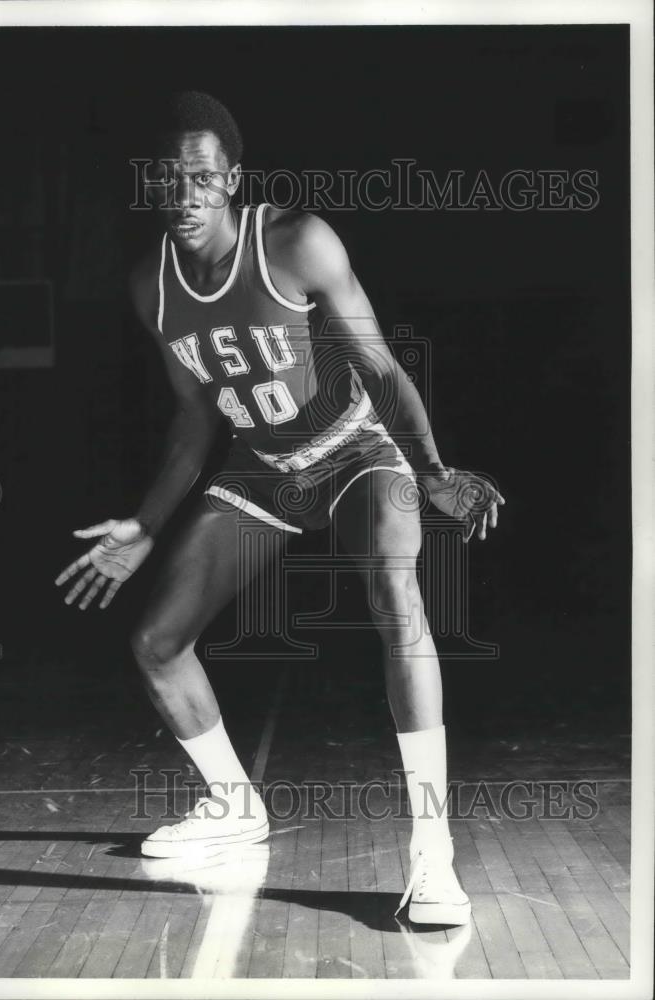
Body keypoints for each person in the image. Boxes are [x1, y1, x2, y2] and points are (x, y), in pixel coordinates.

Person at [55, 91, 504, 926]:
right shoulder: (149, 281)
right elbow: (194, 417)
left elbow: (377, 365)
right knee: (156, 641)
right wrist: (145, 525)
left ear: (230, 179)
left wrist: (431, 467)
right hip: (262, 469)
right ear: (150, 185)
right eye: (167, 179)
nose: (183, 195)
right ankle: (234, 807)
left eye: (200, 178)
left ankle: (431, 854)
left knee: (396, 605)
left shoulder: (295, 242)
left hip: (354, 450)